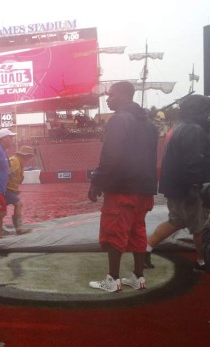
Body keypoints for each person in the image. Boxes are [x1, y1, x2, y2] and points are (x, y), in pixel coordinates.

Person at [88, 81, 158, 292]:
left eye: (111, 95)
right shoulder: (149, 124)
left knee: (113, 231)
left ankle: (113, 280)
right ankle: (138, 277)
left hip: (122, 187)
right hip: (144, 188)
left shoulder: (119, 120)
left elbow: (111, 156)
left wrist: (97, 181)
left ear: (124, 96)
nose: (108, 99)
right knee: (138, 231)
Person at [145, 94, 210, 272]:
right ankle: (201, 262)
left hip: (175, 187)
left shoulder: (179, 126)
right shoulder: (194, 129)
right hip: (190, 189)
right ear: (201, 110)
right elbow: (194, 162)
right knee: (200, 227)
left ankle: (146, 249)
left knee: (175, 221)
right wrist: (197, 187)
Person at [5, 145, 36, 235]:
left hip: (9, 189)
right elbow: (5, 173)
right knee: (18, 204)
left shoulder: (19, 162)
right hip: (6, 189)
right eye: (29, 156)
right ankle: (19, 228)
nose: (30, 158)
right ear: (25, 155)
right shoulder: (15, 161)